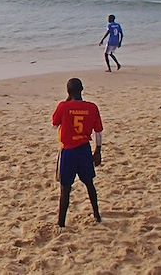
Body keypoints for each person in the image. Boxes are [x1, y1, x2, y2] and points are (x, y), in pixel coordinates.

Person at [51, 78, 103, 228]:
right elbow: (98, 132)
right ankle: (97, 215)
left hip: (68, 152)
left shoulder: (63, 106)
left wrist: (67, 103)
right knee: (89, 184)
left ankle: (61, 223)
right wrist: (98, 150)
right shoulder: (92, 107)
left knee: (65, 188)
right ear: (82, 90)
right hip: (84, 150)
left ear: (68, 91)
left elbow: (54, 125)